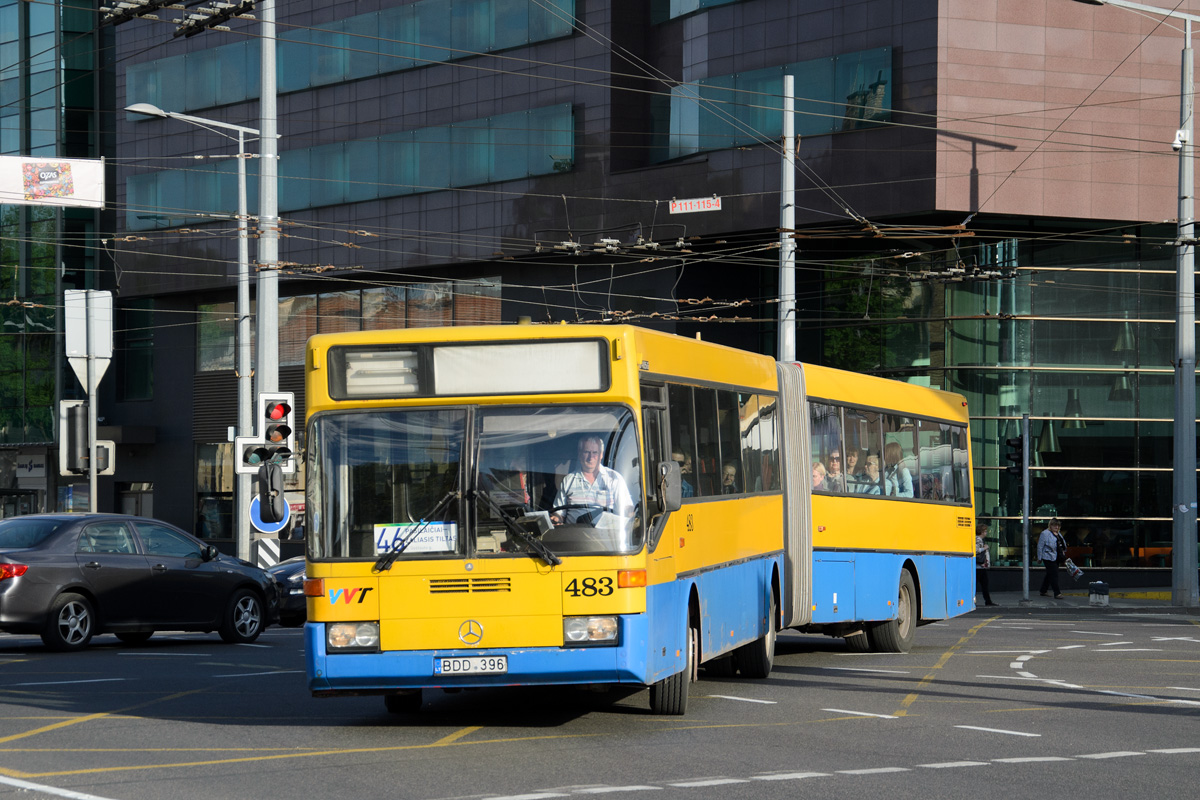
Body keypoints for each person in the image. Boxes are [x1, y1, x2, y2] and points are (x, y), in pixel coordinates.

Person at [551, 435, 633, 525]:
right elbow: (559, 513)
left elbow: (625, 509)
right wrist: (556, 518)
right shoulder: (568, 480)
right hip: (574, 536)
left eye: (595, 453)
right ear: (580, 454)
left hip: (606, 536)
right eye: (587, 452)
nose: (591, 457)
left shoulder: (614, 478)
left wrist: (633, 512)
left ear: (601, 454)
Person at [1037, 518, 1066, 599]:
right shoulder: (1045, 533)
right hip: (1048, 556)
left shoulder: (1058, 534)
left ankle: (1043, 590)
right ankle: (1057, 593)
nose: (1056, 527)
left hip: (1056, 557)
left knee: (1050, 574)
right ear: (1050, 525)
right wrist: (1039, 558)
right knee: (1054, 574)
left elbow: (1062, 545)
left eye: (1058, 525)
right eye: (1054, 525)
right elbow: (1040, 546)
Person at [976, 520, 998, 607]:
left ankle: (988, 601)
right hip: (978, 567)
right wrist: (984, 548)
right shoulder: (978, 539)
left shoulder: (979, 539)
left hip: (980, 567)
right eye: (985, 531)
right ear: (981, 532)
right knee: (983, 584)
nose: (986, 532)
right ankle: (987, 601)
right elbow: (976, 550)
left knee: (984, 584)